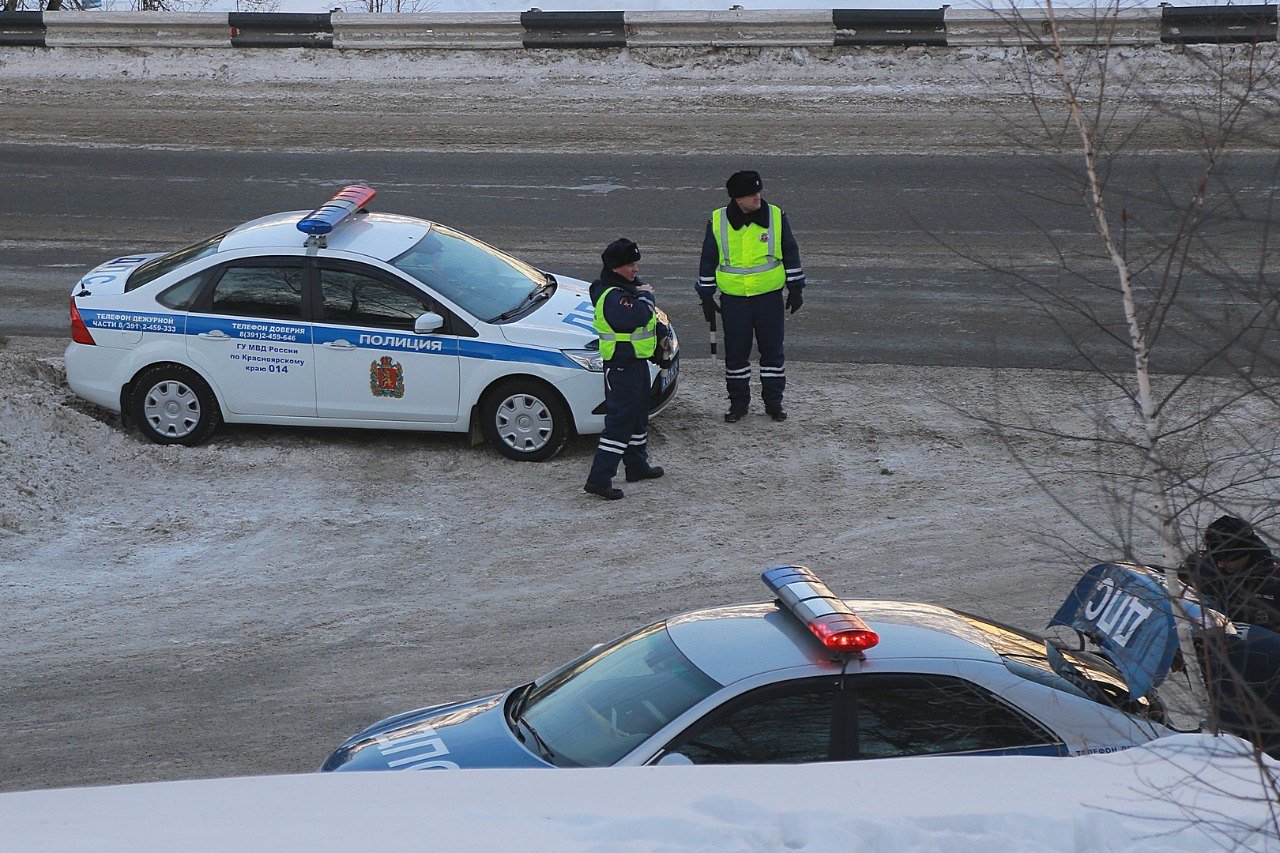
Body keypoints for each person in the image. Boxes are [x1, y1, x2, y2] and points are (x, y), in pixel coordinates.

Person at [696, 170, 805, 423]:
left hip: (769, 299)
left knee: (773, 354)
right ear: (737, 199)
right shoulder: (718, 221)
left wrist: (796, 287)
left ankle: (774, 403)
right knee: (736, 355)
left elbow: (791, 252)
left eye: (758, 192)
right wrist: (706, 295)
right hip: (734, 301)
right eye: (751, 194)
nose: (758, 197)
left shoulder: (776, 217)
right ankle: (738, 404)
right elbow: (708, 260)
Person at [584, 238, 669, 500]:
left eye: (635, 263)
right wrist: (646, 294)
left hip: (635, 364)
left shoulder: (625, 289)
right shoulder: (613, 296)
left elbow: (648, 322)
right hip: (621, 367)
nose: (635, 269)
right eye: (630, 264)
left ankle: (637, 465)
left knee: (638, 417)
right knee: (620, 423)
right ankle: (599, 479)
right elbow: (639, 316)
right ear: (615, 268)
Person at [1179, 515, 1280, 628]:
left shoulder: (1274, 579)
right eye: (1215, 557)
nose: (1220, 564)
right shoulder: (1199, 567)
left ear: (1246, 551)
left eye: (1227, 558)